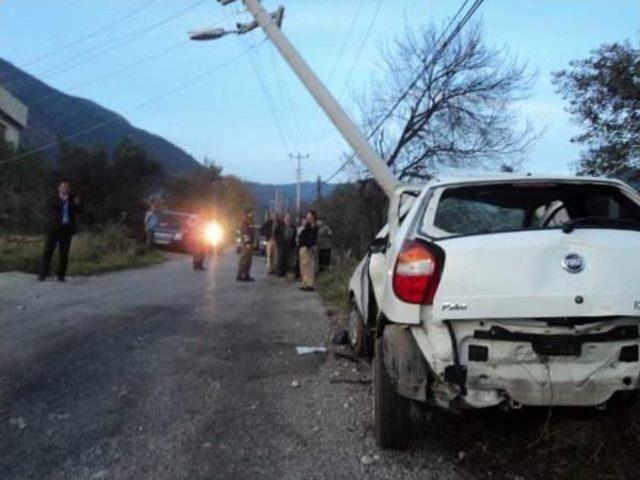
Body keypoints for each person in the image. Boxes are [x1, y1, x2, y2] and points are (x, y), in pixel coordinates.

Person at [38, 178, 81, 282]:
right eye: (63, 186)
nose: (65, 189)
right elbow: (50, 207)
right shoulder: (53, 197)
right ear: (59, 188)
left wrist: (77, 204)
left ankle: (61, 276)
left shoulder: (73, 198)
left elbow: (78, 211)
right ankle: (42, 275)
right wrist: (62, 200)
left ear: (69, 188)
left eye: (67, 187)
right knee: (48, 252)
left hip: (66, 229)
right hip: (54, 229)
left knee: (64, 254)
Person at [298, 210, 318, 292]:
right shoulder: (307, 226)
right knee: (303, 266)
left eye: (309, 215)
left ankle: (309, 285)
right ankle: (305, 283)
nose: (307, 217)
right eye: (307, 215)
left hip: (308, 248)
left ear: (313, 216)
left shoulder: (314, 227)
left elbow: (312, 238)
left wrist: (308, 245)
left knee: (308, 266)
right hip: (303, 247)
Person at [237, 210, 255, 282]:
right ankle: (241, 275)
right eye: (250, 214)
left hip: (249, 244)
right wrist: (247, 243)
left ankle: (246, 274)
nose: (251, 215)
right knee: (244, 260)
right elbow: (244, 234)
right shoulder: (244, 223)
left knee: (248, 261)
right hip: (246, 245)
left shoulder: (249, 222)